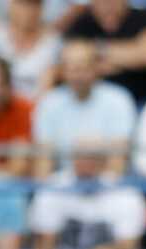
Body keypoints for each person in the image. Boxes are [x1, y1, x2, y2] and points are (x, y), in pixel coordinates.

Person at [27, 137, 146, 249]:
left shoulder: (125, 192)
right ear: (72, 159)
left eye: (93, 158)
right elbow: (45, 247)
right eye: (81, 157)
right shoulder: (53, 188)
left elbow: (128, 247)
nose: (86, 163)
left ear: (104, 161)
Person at [31, 38, 137, 177]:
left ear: (96, 66)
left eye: (83, 67)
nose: (78, 75)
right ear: (62, 71)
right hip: (65, 180)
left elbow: (117, 162)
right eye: (72, 68)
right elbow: (43, 161)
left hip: (107, 181)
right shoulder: (49, 103)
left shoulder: (119, 99)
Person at [61, 0, 146, 107]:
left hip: (142, 101)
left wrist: (98, 48)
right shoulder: (81, 24)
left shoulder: (145, 17)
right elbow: (75, 66)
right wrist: (133, 57)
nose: (108, 4)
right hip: (94, 102)